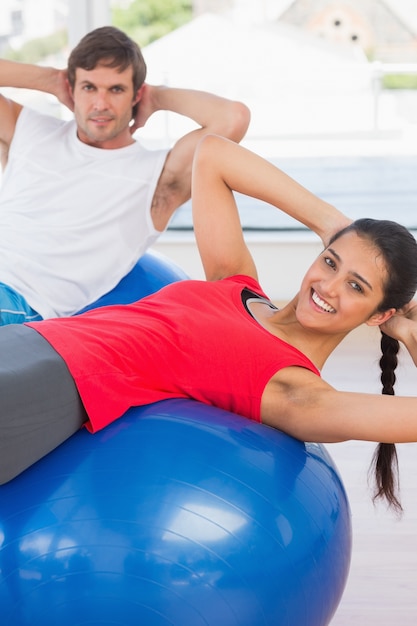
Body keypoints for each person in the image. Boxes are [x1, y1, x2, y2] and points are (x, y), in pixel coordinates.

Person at [1, 134, 417, 515]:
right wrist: (334, 225)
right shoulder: (236, 282)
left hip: (52, 385)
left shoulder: (295, 391)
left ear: (379, 314)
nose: (328, 286)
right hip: (29, 339)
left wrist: (411, 333)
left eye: (356, 286)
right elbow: (214, 154)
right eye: (330, 261)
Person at [0, 26, 250, 324]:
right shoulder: (28, 130)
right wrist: (52, 80)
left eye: (116, 89)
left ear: (136, 94)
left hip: (18, 298)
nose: (100, 104)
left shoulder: (158, 179)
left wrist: (156, 99)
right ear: (72, 88)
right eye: (89, 87)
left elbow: (232, 118)